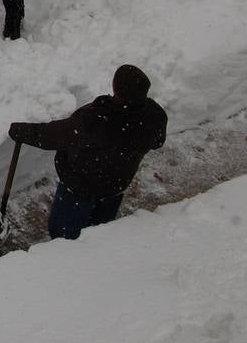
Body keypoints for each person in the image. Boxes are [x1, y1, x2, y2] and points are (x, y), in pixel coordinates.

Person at [9, 64, 168, 240]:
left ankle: (68, 258)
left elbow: (52, 136)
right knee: (100, 231)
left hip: (79, 187)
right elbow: (158, 141)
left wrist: (21, 132)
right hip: (116, 185)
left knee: (64, 237)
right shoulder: (154, 115)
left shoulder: (96, 120)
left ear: (116, 88)